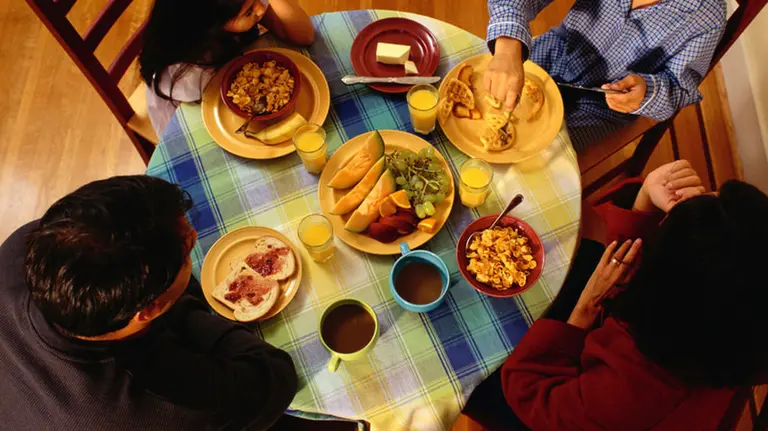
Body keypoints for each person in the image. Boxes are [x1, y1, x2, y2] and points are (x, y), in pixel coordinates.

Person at [463, 160, 768, 430]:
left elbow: (532, 394)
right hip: (629, 346)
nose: (695, 198)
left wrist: (586, 305)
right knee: (588, 258)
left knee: (469, 378)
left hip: (554, 405)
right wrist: (645, 200)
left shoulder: (631, 394)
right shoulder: (733, 307)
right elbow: (644, 260)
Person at [0, 175, 298, 430]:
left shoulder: (21, 248)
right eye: (188, 250)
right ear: (150, 309)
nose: (194, 234)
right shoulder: (164, 405)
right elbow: (274, 377)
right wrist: (185, 311)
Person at [483, 0, 726, 151]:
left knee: (530, 155)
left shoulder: (707, 18)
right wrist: (506, 50)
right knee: (481, 107)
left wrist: (647, 92)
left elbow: (680, 89)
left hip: (601, 106)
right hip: (558, 50)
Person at [140, 0, 315, 136]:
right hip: (188, 114)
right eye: (248, 12)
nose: (261, 9)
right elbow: (210, 124)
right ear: (210, 25)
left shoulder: (236, 6)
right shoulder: (185, 76)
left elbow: (304, 35)